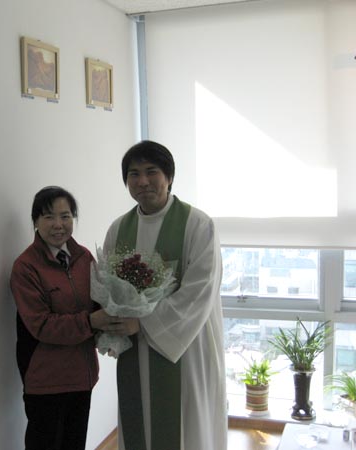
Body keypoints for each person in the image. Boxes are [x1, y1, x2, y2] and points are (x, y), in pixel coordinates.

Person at [103, 141, 227, 450]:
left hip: (185, 345)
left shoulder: (198, 225)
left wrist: (143, 323)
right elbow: (107, 285)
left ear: (169, 177)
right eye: (133, 174)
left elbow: (201, 289)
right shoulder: (118, 229)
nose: (142, 181)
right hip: (134, 347)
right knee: (139, 420)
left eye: (151, 171)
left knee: (185, 426)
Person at [10, 186, 118, 450]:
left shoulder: (84, 257)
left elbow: (99, 302)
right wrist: (91, 322)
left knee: (74, 444)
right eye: (48, 217)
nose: (58, 224)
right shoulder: (26, 267)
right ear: (35, 222)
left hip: (82, 377)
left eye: (65, 216)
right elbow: (42, 325)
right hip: (46, 381)